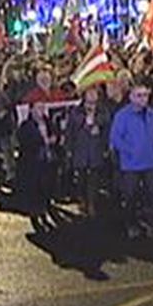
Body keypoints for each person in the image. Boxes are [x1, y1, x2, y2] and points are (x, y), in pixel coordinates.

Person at [110, 85, 153, 239]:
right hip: (131, 163)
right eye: (139, 95)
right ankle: (131, 224)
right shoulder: (122, 116)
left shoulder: (152, 114)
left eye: (145, 95)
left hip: (152, 162)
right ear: (131, 97)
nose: (143, 99)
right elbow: (115, 139)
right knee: (130, 195)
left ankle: (152, 221)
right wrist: (130, 151)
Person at [65, 86, 110, 216]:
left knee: (94, 178)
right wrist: (69, 149)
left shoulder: (103, 111)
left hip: (96, 149)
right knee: (81, 178)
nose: (92, 95)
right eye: (89, 93)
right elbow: (70, 131)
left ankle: (91, 203)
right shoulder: (76, 111)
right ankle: (82, 199)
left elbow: (107, 127)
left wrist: (99, 128)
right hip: (81, 149)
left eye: (94, 93)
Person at [16, 102, 57, 226]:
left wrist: (54, 139)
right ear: (32, 110)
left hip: (48, 159)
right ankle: (35, 214)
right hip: (33, 161)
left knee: (46, 186)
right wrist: (42, 141)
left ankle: (45, 208)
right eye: (38, 108)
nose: (41, 110)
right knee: (35, 188)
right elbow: (24, 142)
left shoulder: (48, 122)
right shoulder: (26, 125)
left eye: (42, 107)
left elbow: (55, 134)